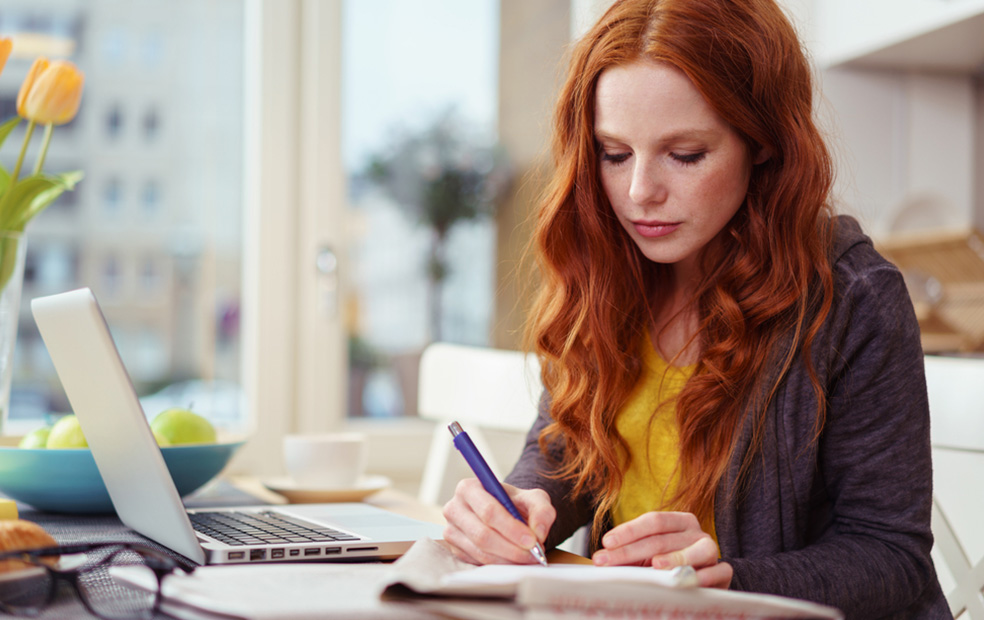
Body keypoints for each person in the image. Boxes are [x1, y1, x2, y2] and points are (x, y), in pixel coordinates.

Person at [441, 0, 949, 617]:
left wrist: (728, 579)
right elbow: (566, 453)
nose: (639, 194)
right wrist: (520, 505)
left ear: (763, 144)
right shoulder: (609, 269)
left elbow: (892, 557)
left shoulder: (856, 296)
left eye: (685, 155)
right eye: (614, 153)